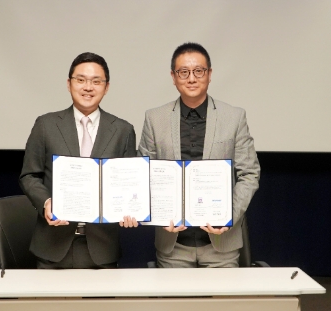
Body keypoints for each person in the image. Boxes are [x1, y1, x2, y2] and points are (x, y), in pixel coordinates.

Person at [138, 42, 260, 268]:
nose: (191, 78)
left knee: (223, 295)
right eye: (183, 72)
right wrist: (157, 214)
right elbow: (143, 175)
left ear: (209, 74)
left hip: (221, 244)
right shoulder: (155, 118)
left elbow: (249, 174)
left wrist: (229, 216)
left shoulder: (234, 117)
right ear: (173, 77)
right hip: (173, 244)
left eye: (199, 71)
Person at [19, 52, 138, 269]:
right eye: (81, 80)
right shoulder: (46, 125)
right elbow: (29, 175)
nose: (88, 87)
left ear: (106, 87)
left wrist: (130, 208)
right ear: (69, 84)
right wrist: (46, 202)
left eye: (96, 81)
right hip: (52, 244)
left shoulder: (123, 130)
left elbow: (128, 184)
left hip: (102, 248)